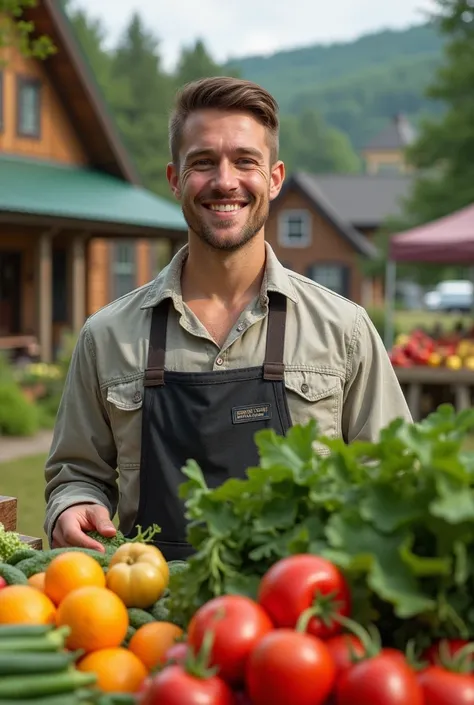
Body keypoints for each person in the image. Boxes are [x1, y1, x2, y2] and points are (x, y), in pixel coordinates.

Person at [44, 76, 412, 558]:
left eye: (245, 161)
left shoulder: (343, 331)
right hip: (154, 619)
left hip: (299, 617)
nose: (224, 181)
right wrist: (74, 505)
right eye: (202, 162)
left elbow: (395, 477)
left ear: (275, 178)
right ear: (175, 179)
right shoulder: (108, 336)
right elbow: (76, 474)